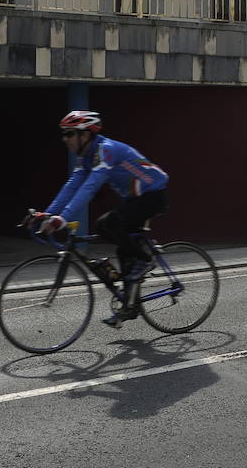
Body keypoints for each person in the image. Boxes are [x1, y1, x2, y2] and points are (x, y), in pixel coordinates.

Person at [36, 109, 169, 327]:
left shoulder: (106, 150)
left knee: (108, 223)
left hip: (153, 195)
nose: (65, 139)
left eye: (69, 134)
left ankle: (146, 258)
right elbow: (72, 185)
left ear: (85, 135)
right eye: (64, 134)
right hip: (136, 199)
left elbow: (89, 188)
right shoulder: (86, 157)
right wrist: (49, 214)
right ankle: (130, 305)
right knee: (121, 247)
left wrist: (63, 219)